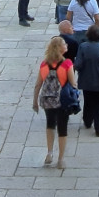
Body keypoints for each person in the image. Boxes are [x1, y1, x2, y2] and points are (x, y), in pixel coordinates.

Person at [32, 35, 74, 169]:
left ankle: (49, 153)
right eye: (64, 44)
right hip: (61, 100)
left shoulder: (44, 64)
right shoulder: (67, 64)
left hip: (47, 99)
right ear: (60, 48)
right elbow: (73, 83)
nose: (66, 45)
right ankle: (60, 159)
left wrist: (35, 101)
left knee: (50, 124)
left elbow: (38, 84)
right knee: (62, 128)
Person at [73, 24, 99, 136]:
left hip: (87, 81)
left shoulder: (83, 46)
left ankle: (87, 121)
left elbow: (78, 64)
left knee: (88, 101)